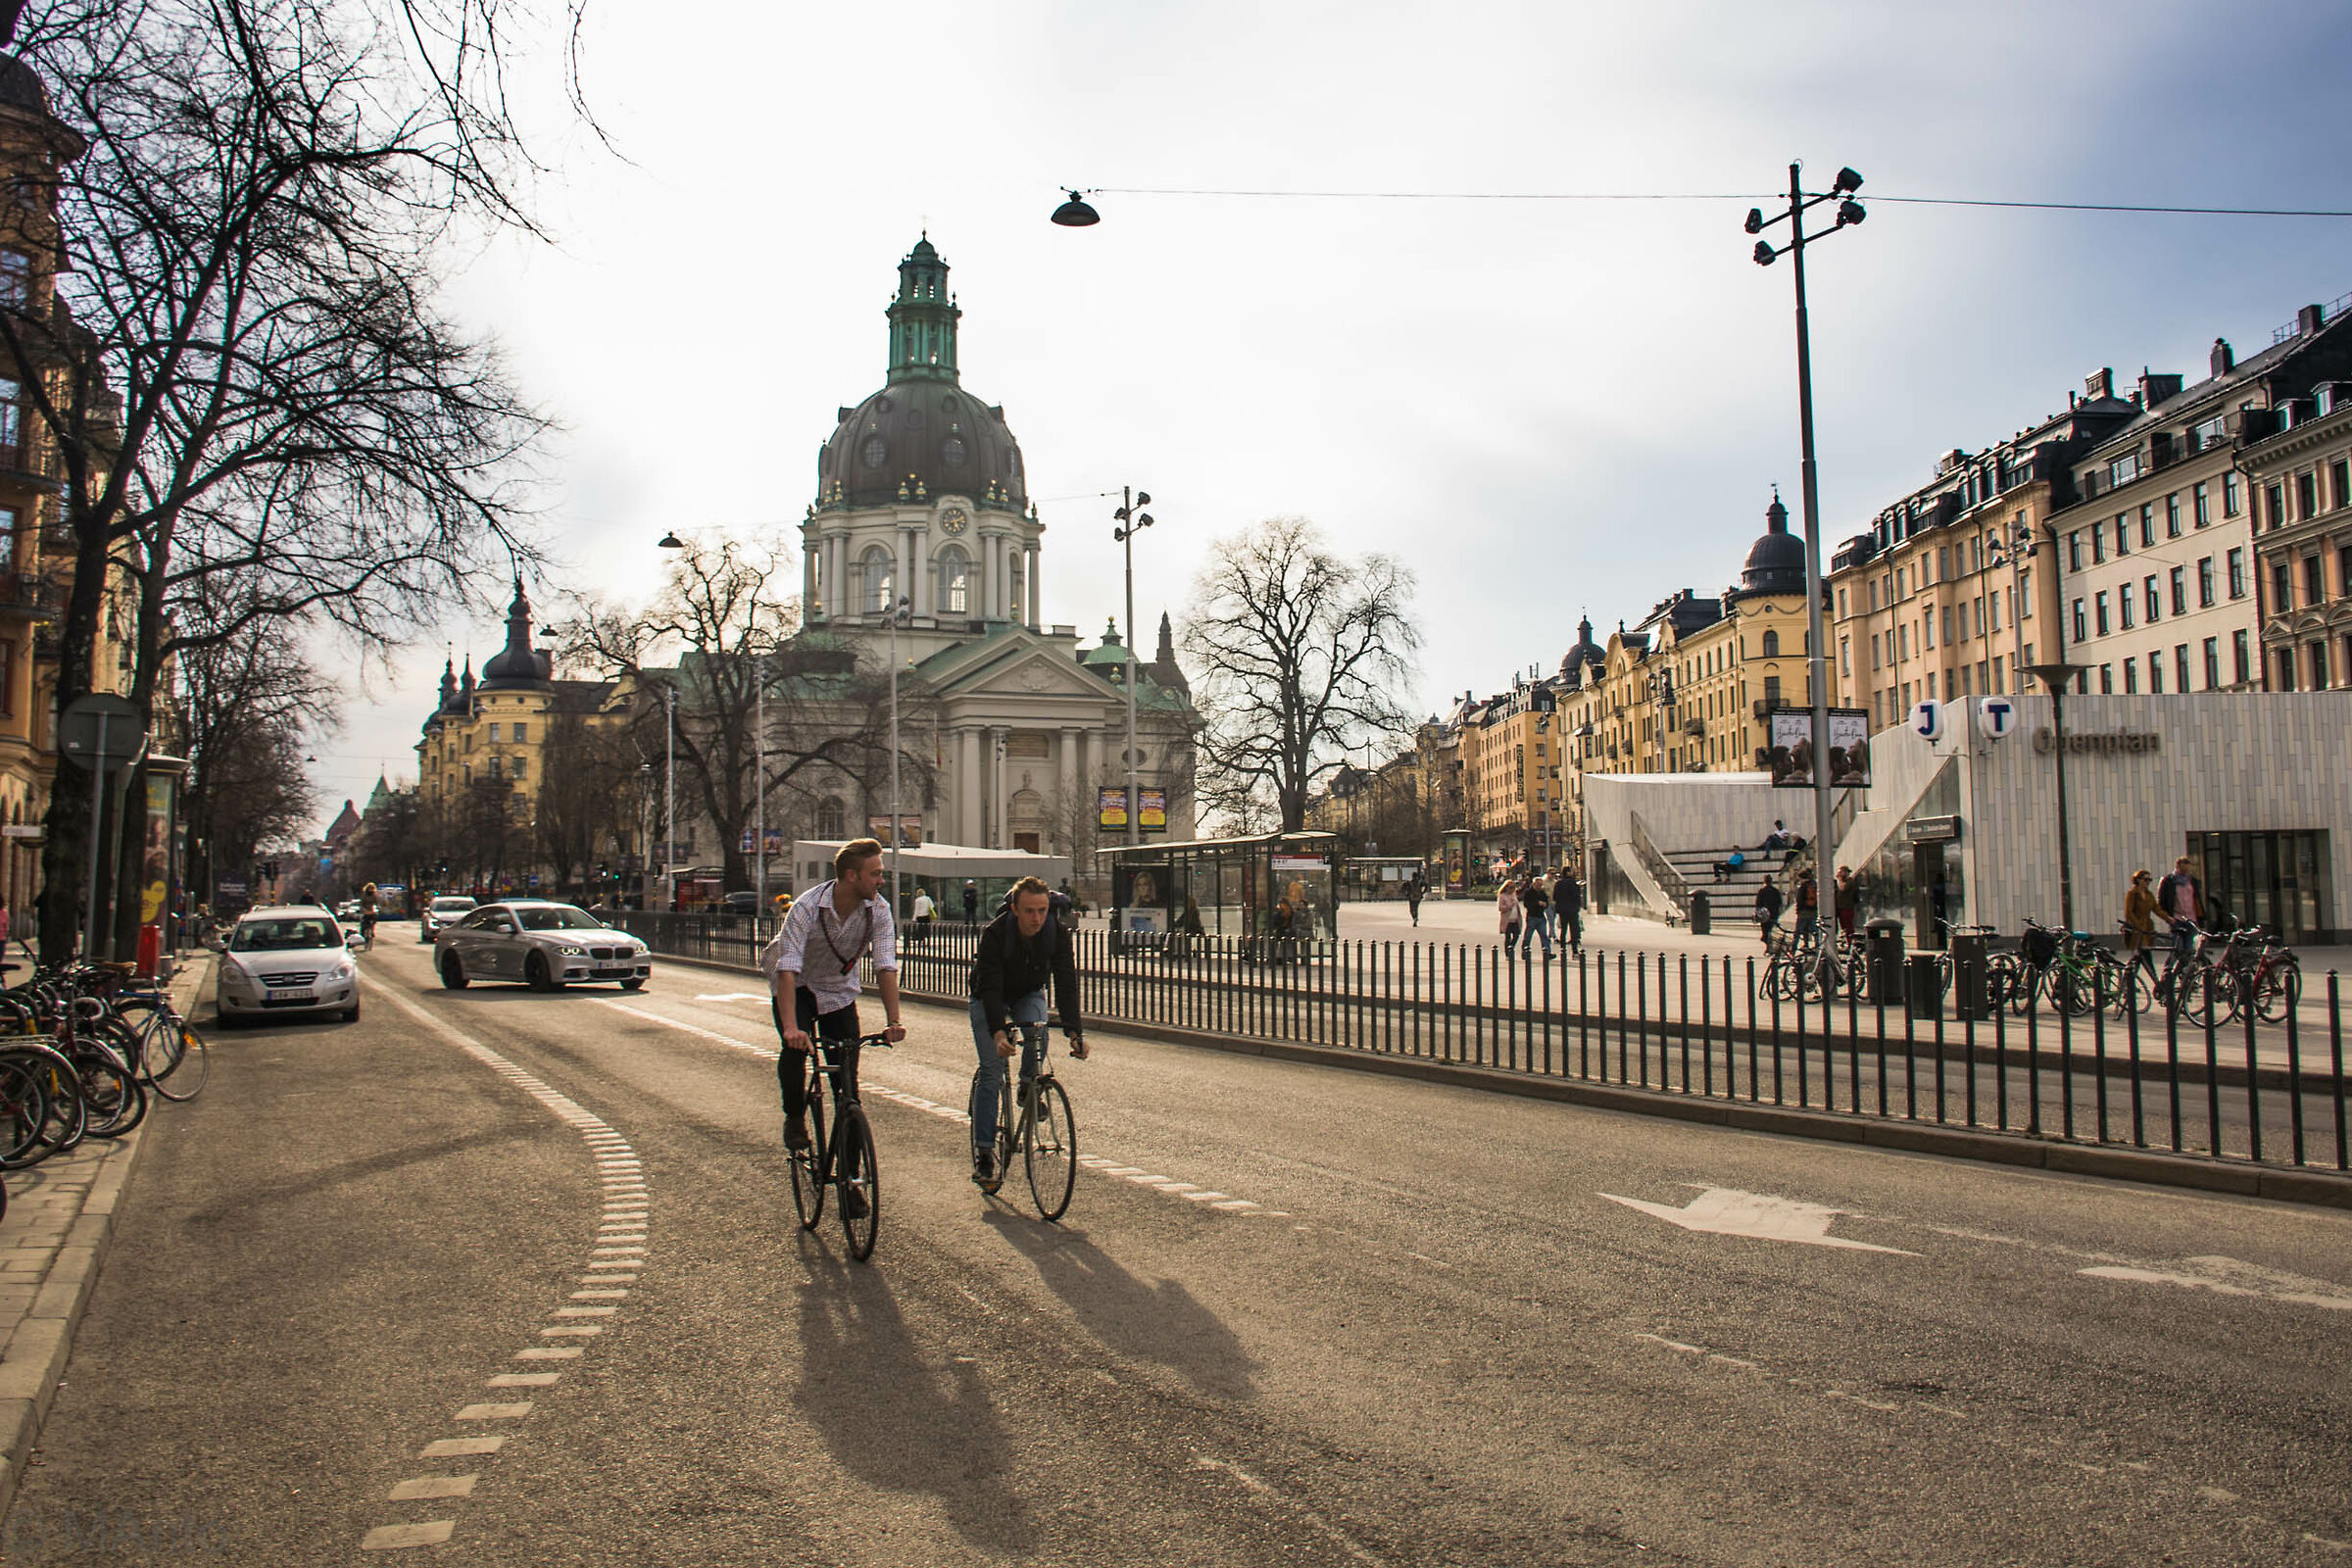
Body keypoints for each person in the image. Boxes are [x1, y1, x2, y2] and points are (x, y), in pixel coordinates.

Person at [762, 840, 907, 1215]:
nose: (881, 880)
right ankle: (795, 1117)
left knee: (849, 1092)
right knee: (795, 1049)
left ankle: (851, 1181)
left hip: (838, 991)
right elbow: (787, 968)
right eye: (875, 874)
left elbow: (885, 966)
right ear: (851, 876)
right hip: (797, 985)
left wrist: (893, 1021)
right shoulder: (807, 907)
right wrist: (792, 1028)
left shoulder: (878, 910)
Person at [968, 876, 1086, 1187]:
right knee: (992, 1071)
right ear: (1015, 910)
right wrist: (998, 1032)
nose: (1037, 918)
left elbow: (1066, 981)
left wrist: (1075, 1032)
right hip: (988, 997)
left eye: (1042, 910)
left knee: (1039, 1029)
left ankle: (1026, 1086)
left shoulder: (1056, 934)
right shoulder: (995, 934)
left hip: (1027, 993)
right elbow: (990, 987)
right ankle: (984, 1154)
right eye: (1030, 911)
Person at [2155, 856, 2205, 975]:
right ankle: (2167, 974)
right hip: (2177, 919)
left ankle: (2186, 976)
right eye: (2183, 869)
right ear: (2177, 867)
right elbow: (2162, 901)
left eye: (2187, 869)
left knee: (2188, 950)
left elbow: (2197, 899)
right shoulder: (2168, 881)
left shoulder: (2191, 881)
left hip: (2191, 919)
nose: (2185, 872)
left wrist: (2200, 919)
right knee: (2177, 949)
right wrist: (2168, 917)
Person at [2122, 868, 2159, 978]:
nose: (2148, 882)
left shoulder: (2149, 894)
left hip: (2147, 927)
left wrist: (2169, 918)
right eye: (2145, 880)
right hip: (2136, 929)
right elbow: (2129, 912)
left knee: (2141, 956)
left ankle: (2128, 979)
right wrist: (2137, 925)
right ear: (2138, 880)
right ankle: (2154, 981)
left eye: (2149, 880)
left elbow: (2156, 909)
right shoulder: (2132, 893)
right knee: (2143, 955)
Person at [1520, 871, 1553, 959]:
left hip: (1541, 916)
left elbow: (1546, 902)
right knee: (1528, 936)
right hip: (1532, 916)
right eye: (1538, 885)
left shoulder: (1542, 892)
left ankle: (1547, 952)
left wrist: (1545, 904)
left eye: (1541, 885)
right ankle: (1525, 952)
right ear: (1534, 884)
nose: (1540, 886)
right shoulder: (1528, 892)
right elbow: (1526, 904)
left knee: (1544, 936)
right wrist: (1537, 903)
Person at [1555, 868, 1585, 959]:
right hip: (1572, 910)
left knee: (1563, 930)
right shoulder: (1573, 883)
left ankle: (1563, 950)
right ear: (1568, 873)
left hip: (1562, 910)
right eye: (1571, 871)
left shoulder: (1559, 883)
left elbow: (1555, 896)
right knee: (1574, 930)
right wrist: (1577, 906)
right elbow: (1577, 896)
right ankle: (1574, 951)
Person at [1496, 878, 1522, 959]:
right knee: (1507, 937)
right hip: (1507, 920)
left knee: (1516, 935)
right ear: (1506, 887)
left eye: (1514, 887)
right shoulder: (1502, 896)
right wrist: (1508, 906)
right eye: (1511, 887)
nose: (1512, 889)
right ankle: (1508, 954)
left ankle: (1511, 947)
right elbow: (1500, 908)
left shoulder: (1514, 895)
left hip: (1515, 919)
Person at [1754, 877, 1785, 944]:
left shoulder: (1762, 891)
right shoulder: (1775, 891)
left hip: (1764, 914)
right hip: (1774, 913)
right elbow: (1779, 903)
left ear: (1764, 881)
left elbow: (1758, 904)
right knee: (1771, 929)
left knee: (1765, 929)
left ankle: (1766, 940)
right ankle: (1769, 941)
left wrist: (1757, 913)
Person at [1834, 866, 1860, 941]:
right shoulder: (1840, 882)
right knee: (1843, 927)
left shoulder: (1850, 881)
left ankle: (1850, 941)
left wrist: (1839, 879)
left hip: (1847, 907)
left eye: (1841, 872)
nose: (1839, 874)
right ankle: (1845, 941)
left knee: (1848, 926)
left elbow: (1843, 888)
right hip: (1840, 907)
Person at [1793, 873, 1820, 938]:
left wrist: (1798, 910)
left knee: (1798, 931)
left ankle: (1795, 944)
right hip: (1813, 910)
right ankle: (1818, 943)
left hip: (1803, 912)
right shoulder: (1813, 885)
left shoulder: (1802, 887)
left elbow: (1800, 900)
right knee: (1815, 930)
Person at [358, 882, 380, 950]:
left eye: (372, 888)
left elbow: (377, 902)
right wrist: (362, 909)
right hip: (365, 910)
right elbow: (361, 903)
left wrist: (378, 907)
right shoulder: (364, 895)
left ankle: (372, 930)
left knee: (374, 920)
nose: (371, 890)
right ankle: (362, 934)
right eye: (370, 888)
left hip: (372, 911)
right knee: (364, 924)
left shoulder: (375, 895)